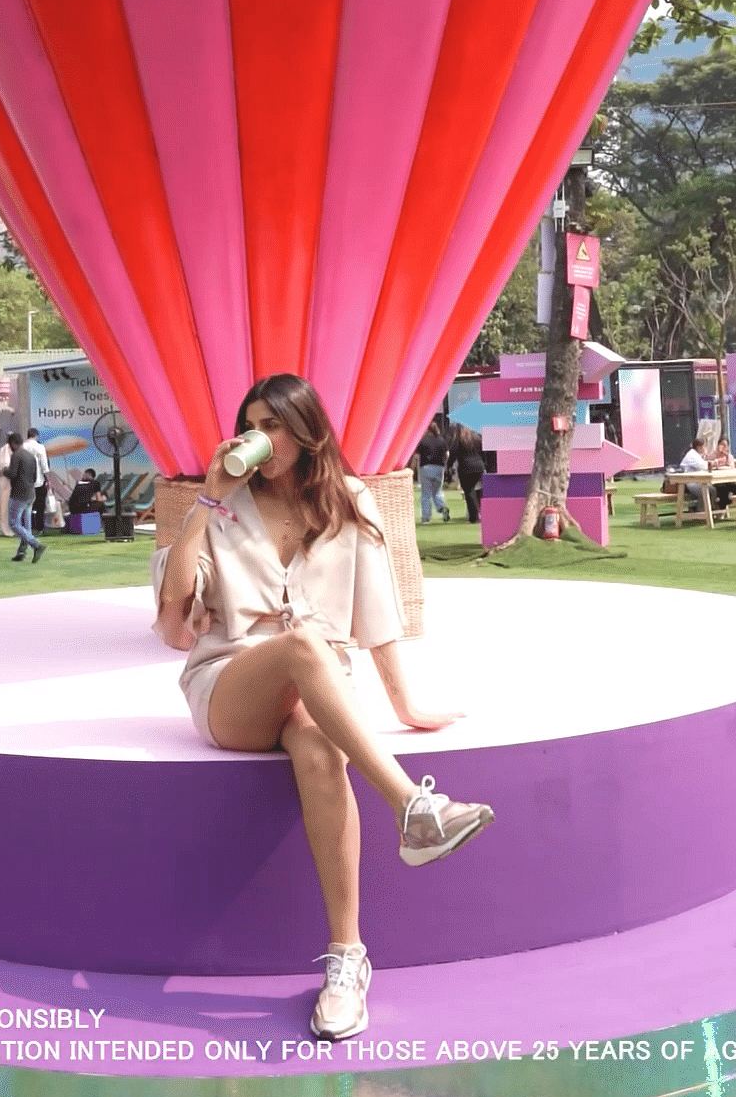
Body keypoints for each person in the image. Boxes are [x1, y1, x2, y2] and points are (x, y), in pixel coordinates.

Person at [153, 373, 494, 1044]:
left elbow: (376, 618)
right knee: (306, 644)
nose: (260, 440)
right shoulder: (224, 507)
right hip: (230, 684)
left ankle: (347, 961)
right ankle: (413, 807)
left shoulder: (350, 503)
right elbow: (174, 626)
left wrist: (406, 701)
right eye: (251, 425)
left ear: (308, 433)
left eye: (274, 425)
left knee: (317, 750)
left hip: (317, 687)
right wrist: (205, 505)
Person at [7, 433, 46, 564]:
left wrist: (3, 471)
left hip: (19, 494)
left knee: (14, 523)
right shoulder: (30, 456)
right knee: (26, 525)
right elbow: (35, 477)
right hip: (31, 493)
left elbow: (12, 474)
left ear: (12, 443)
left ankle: (36, 545)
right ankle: (22, 551)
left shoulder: (16, 455)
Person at [448, 422, 485, 525]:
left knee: (469, 492)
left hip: (466, 467)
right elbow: (483, 452)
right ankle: (478, 512)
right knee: (477, 490)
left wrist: (449, 465)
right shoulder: (477, 438)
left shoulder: (459, 440)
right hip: (479, 466)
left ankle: (474, 516)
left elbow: (453, 454)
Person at [415, 419, 451, 524]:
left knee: (426, 494)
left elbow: (417, 456)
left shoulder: (423, 441)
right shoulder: (441, 440)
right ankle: (442, 507)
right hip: (439, 468)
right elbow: (447, 454)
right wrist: (444, 463)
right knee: (437, 491)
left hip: (425, 468)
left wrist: (415, 470)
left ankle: (426, 517)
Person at [708, 438, 736, 515]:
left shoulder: (729, 457)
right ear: (717, 445)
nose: (723, 447)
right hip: (715, 481)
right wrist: (716, 462)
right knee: (723, 490)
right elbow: (708, 467)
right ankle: (721, 511)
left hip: (727, 480)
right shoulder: (712, 456)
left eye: (725, 445)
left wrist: (726, 459)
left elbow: (732, 467)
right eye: (721, 444)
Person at [26, 427, 50, 533]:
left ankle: (27, 527)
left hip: (25, 482)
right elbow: (44, 465)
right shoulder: (40, 447)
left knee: (27, 506)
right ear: (36, 436)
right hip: (38, 481)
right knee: (40, 506)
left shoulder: (22, 447)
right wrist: (48, 480)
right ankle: (40, 528)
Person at [0, 434, 14, 538]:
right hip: (6, 480)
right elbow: (5, 465)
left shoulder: (4, 448)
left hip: (5, 479)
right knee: (5, 505)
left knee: (5, 505)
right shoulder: (6, 449)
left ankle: (4, 528)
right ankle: (5, 529)